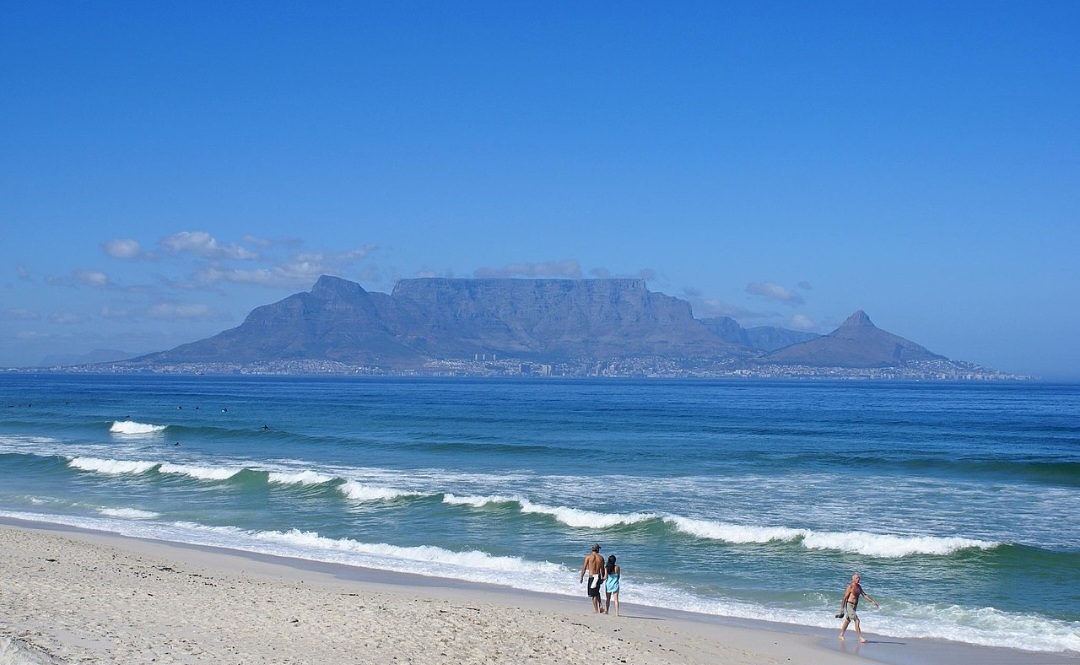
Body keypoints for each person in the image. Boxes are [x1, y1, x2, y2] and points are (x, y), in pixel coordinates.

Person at [837, 573, 879, 643]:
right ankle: (860, 638)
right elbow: (845, 598)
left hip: (855, 606)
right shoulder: (850, 586)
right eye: (857, 578)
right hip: (849, 605)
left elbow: (864, 595)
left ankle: (841, 635)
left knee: (847, 620)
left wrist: (872, 601)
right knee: (857, 620)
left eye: (859, 578)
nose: (858, 579)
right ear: (853, 579)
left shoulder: (859, 587)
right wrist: (842, 609)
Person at [578, 543, 606, 613]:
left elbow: (584, 568)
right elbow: (602, 569)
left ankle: (596, 610)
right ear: (597, 549)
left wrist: (581, 577)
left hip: (592, 577)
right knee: (596, 592)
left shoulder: (588, 557)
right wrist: (602, 578)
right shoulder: (601, 558)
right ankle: (600, 605)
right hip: (598, 576)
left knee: (593, 595)